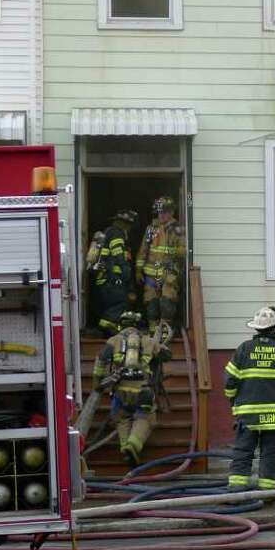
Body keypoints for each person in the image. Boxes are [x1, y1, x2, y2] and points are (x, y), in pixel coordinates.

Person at [223, 307, 275, 492]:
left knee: (243, 449)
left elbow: (229, 379)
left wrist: (232, 399)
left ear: (256, 328)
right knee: (271, 452)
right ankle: (266, 490)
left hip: (249, 413)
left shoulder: (244, 349)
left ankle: (237, 486)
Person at [91, 311, 171, 467]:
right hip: (143, 391)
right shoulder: (148, 341)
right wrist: (159, 346)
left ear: (121, 325)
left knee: (122, 419)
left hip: (119, 391)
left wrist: (97, 383)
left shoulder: (113, 341)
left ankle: (124, 447)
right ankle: (133, 446)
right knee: (145, 418)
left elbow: (101, 360)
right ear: (137, 326)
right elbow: (168, 355)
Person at [136, 197, 186, 342]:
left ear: (171, 212)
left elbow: (183, 252)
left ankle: (164, 334)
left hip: (168, 273)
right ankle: (153, 334)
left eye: (164, 212)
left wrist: (174, 253)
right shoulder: (151, 229)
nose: (161, 215)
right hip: (151, 274)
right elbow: (143, 250)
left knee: (167, 303)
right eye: (159, 212)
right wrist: (138, 270)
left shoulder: (178, 229)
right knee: (151, 304)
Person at [92, 209, 138, 336]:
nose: (129, 228)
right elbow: (119, 256)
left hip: (104, 279)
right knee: (121, 303)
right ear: (124, 223)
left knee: (112, 306)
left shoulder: (107, 233)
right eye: (128, 224)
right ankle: (107, 328)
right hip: (113, 279)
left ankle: (107, 330)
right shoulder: (117, 234)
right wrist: (127, 274)